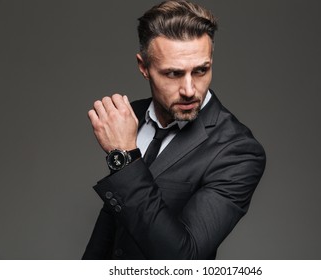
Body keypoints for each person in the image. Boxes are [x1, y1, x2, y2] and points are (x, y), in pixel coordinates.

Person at [83, 0, 266, 260]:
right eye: (173, 74)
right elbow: (115, 224)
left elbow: (184, 259)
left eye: (201, 70)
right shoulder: (130, 118)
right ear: (144, 68)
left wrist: (124, 158)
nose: (190, 90)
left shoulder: (238, 151)